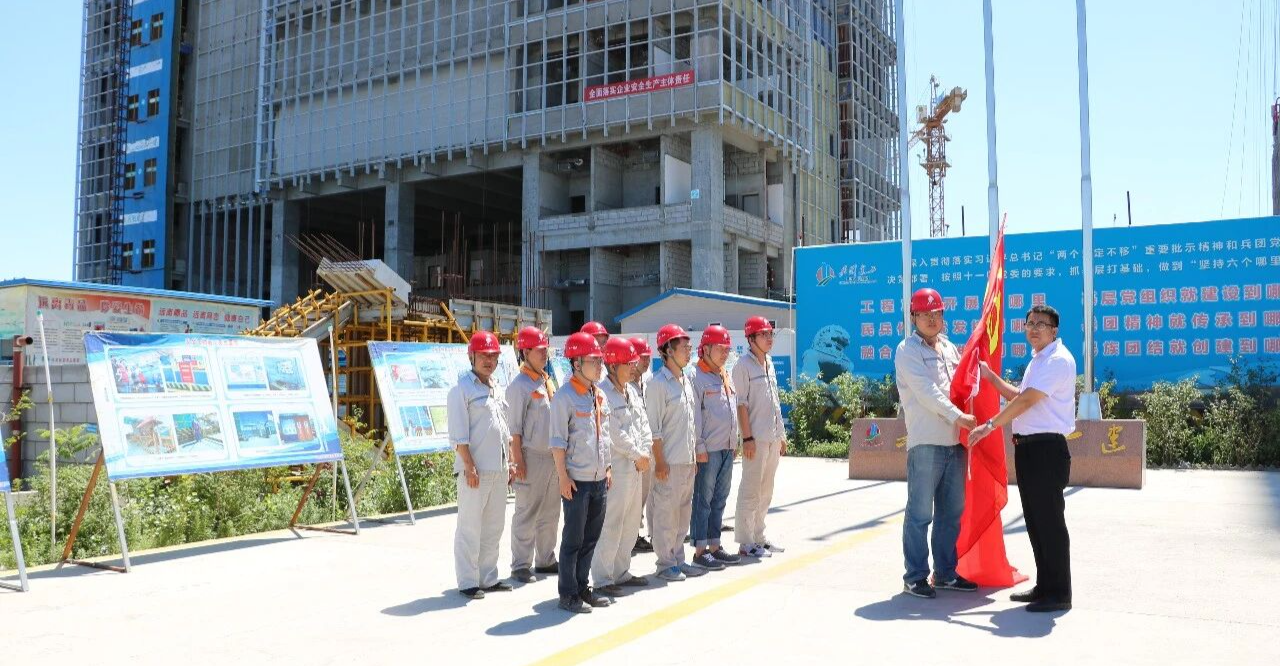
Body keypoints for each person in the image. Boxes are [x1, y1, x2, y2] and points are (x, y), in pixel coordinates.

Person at [968, 304, 1077, 613]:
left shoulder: (1057, 360)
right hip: (1029, 449)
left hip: (1047, 450)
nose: (1034, 328)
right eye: (1030, 323)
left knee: (1050, 523)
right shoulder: (1039, 360)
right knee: (1036, 521)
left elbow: (1028, 400)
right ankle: (1045, 586)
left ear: (1054, 331)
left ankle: (1059, 593)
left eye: (1041, 324)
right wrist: (991, 377)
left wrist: (990, 425)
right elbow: (1020, 395)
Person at [894, 288, 979, 599]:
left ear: (943, 316)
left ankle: (945, 573)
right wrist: (958, 415)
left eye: (936, 313)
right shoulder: (907, 350)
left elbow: (964, 384)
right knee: (920, 513)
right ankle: (914, 576)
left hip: (955, 441)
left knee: (951, 512)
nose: (931, 319)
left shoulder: (949, 348)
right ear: (913, 317)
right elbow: (926, 391)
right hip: (926, 441)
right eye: (924, 314)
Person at [448, 331, 516, 600]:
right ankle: (467, 581)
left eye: (493, 356)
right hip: (475, 470)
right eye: (484, 356)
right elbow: (458, 435)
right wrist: (469, 465)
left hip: (499, 468)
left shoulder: (496, 387)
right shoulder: (461, 390)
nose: (489, 361)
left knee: (493, 526)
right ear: (471, 356)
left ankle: (488, 577)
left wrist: (511, 462)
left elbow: (504, 429)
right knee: (470, 527)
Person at [550, 332, 614, 614]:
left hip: (599, 480)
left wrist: (608, 467)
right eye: (593, 361)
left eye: (600, 361)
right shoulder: (564, 397)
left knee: (590, 539)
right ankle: (567, 594)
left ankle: (582, 587)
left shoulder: (599, 395)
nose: (600, 366)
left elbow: (604, 435)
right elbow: (557, 442)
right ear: (576, 364)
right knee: (573, 540)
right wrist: (563, 477)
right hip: (577, 481)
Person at [592, 338, 653, 596]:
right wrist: (637, 454)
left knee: (630, 522)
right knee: (612, 523)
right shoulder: (602, 393)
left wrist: (645, 451)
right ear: (612, 365)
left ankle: (621, 571)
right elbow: (613, 433)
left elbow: (644, 424)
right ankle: (603, 578)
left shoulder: (632, 392)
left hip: (637, 467)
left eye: (632, 363)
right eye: (627, 364)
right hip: (617, 469)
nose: (633, 367)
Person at [645, 324, 704, 581]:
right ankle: (665, 563)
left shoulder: (686, 380)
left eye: (690, 347)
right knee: (665, 514)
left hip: (686, 461)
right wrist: (660, 462)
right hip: (667, 462)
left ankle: (678, 559)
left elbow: (690, 423)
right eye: (684, 348)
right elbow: (654, 429)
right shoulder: (658, 384)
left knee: (682, 513)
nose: (689, 351)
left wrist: (693, 457)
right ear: (668, 350)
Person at [507, 326, 561, 584]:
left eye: (545, 349)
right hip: (531, 457)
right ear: (525, 352)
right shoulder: (519, 386)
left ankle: (545, 559)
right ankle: (520, 564)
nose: (544, 354)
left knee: (551, 512)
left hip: (552, 457)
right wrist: (517, 461)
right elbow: (514, 430)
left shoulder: (545, 381)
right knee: (526, 512)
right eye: (539, 350)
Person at [733, 316, 788, 558]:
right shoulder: (742, 366)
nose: (769, 338)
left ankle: (759, 537)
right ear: (751, 338)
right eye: (763, 334)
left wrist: (782, 435)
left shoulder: (769, 363)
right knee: (751, 490)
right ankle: (746, 542)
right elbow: (741, 405)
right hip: (755, 439)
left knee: (766, 490)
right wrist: (747, 438)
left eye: (770, 334)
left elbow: (775, 401)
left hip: (772, 437)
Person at [689, 325, 743, 571]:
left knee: (720, 498)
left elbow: (730, 409)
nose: (725, 354)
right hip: (708, 450)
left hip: (726, 448)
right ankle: (700, 550)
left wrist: (735, 441)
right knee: (703, 499)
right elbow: (694, 417)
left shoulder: (724, 374)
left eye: (727, 350)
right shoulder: (696, 376)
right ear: (706, 349)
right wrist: (699, 446)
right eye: (720, 349)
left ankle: (714, 545)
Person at [630, 335, 656, 553]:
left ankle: (635, 534)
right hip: (630, 451)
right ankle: (628, 536)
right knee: (630, 496)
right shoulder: (624, 384)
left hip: (646, 448)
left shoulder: (647, 382)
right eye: (642, 357)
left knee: (643, 493)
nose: (646, 362)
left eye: (648, 357)